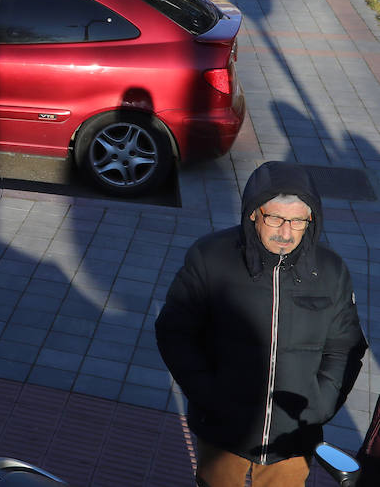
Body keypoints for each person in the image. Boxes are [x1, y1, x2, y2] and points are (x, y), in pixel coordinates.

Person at [156, 161, 366, 487]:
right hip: (223, 431)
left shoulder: (331, 271)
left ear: (311, 220)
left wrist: (321, 405)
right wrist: (208, 395)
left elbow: (345, 346)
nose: (285, 232)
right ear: (253, 213)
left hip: (294, 438)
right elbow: (175, 332)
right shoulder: (210, 257)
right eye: (275, 218)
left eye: (298, 220)